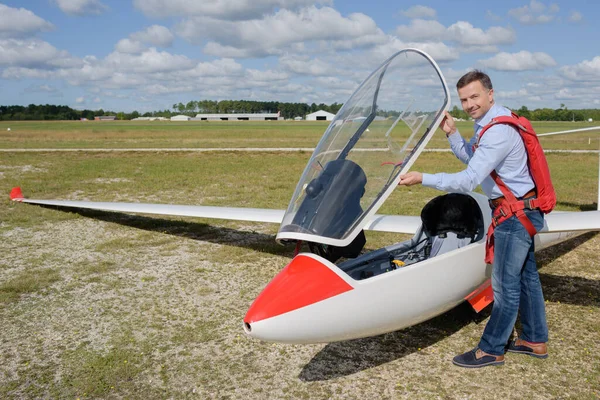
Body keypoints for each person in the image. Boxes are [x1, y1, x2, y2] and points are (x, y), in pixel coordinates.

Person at [398, 70, 548, 368]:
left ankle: (491, 349)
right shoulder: (491, 123)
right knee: (527, 278)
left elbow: (468, 180)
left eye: (474, 96)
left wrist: (422, 177)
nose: (469, 104)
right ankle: (534, 339)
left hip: (514, 215)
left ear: (490, 94)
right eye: (464, 99)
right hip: (522, 209)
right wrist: (453, 133)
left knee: (505, 286)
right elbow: (476, 161)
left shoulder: (497, 131)